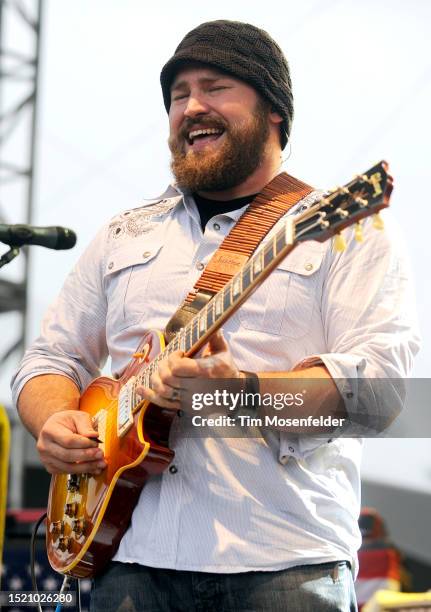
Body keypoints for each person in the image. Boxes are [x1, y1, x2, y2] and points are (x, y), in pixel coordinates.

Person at [11, 20, 419, 612]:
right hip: (129, 558)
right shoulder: (125, 233)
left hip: (283, 563)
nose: (191, 107)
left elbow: (379, 391)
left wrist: (243, 394)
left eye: (215, 86)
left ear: (275, 110)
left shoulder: (345, 229)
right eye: (178, 95)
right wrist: (54, 423)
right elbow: (51, 360)